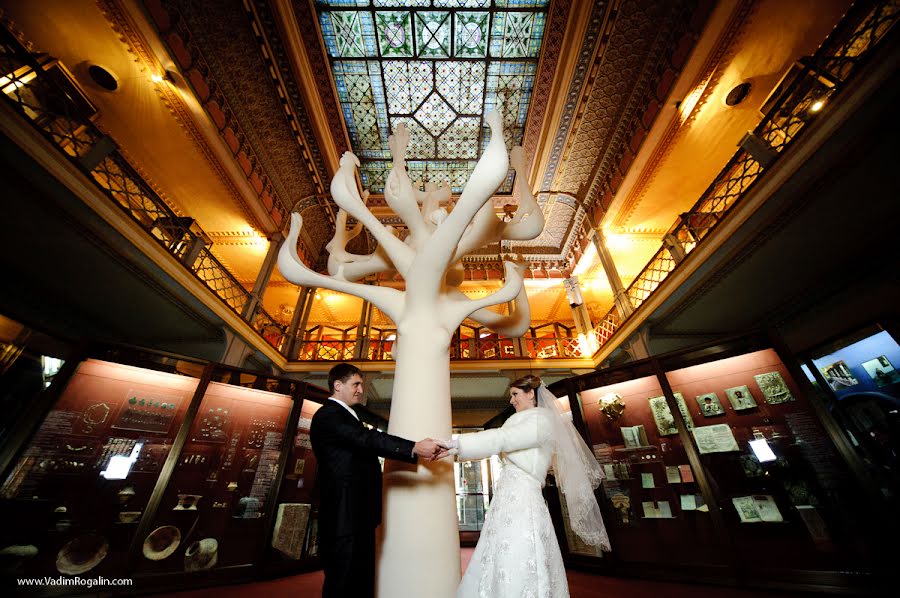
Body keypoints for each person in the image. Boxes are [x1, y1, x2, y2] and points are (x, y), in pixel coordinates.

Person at [436, 375, 610, 598]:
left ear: (531, 394)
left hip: (522, 498)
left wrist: (457, 444)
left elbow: (505, 438)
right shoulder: (525, 421)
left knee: (520, 550)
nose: (511, 401)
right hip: (508, 496)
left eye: (515, 394)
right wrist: (455, 451)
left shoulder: (542, 420)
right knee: (499, 550)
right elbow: (502, 442)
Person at [311, 363, 442, 598]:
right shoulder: (328, 415)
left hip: (357, 513)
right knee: (343, 581)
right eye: (356, 384)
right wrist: (413, 447)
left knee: (359, 579)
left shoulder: (347, 416)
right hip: (344, 515)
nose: (361, 390)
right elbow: (367, 439)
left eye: (362, 384)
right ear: (337, 385)